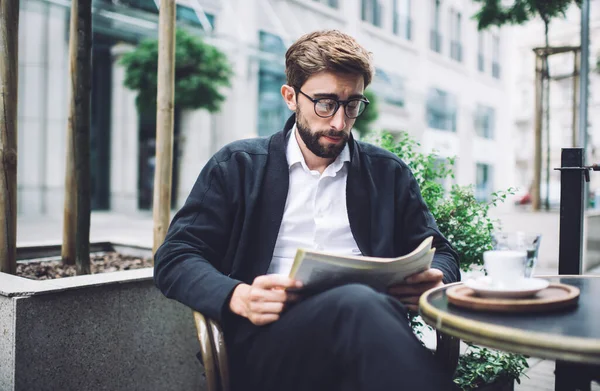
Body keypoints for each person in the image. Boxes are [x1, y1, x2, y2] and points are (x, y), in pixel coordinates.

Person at [154, 30, 460, 391]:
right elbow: (175, 256)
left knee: (361, 310)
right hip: (271, 345)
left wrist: (431, 279)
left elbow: (442, 254)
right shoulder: (238, 166)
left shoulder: (388, 173)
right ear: (290, 97)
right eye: (325, 103)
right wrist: (238, 296)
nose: (339, 122)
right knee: (359, 305)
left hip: (370, 336)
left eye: (352, 105)